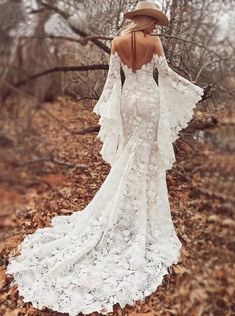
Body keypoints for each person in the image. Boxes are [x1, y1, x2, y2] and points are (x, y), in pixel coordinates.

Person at [6, 1, 204, 315]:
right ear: (146, 20)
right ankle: (139, 215)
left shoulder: (117, 43)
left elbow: (113, 81)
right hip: (149, 100)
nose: (154, 27)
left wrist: (109, 113)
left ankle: (127, 208)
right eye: (152, 21)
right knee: (145, 158)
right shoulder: (154, 42)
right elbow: (164, 76)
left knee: (131, 155)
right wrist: (191, 89)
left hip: (128, 101)